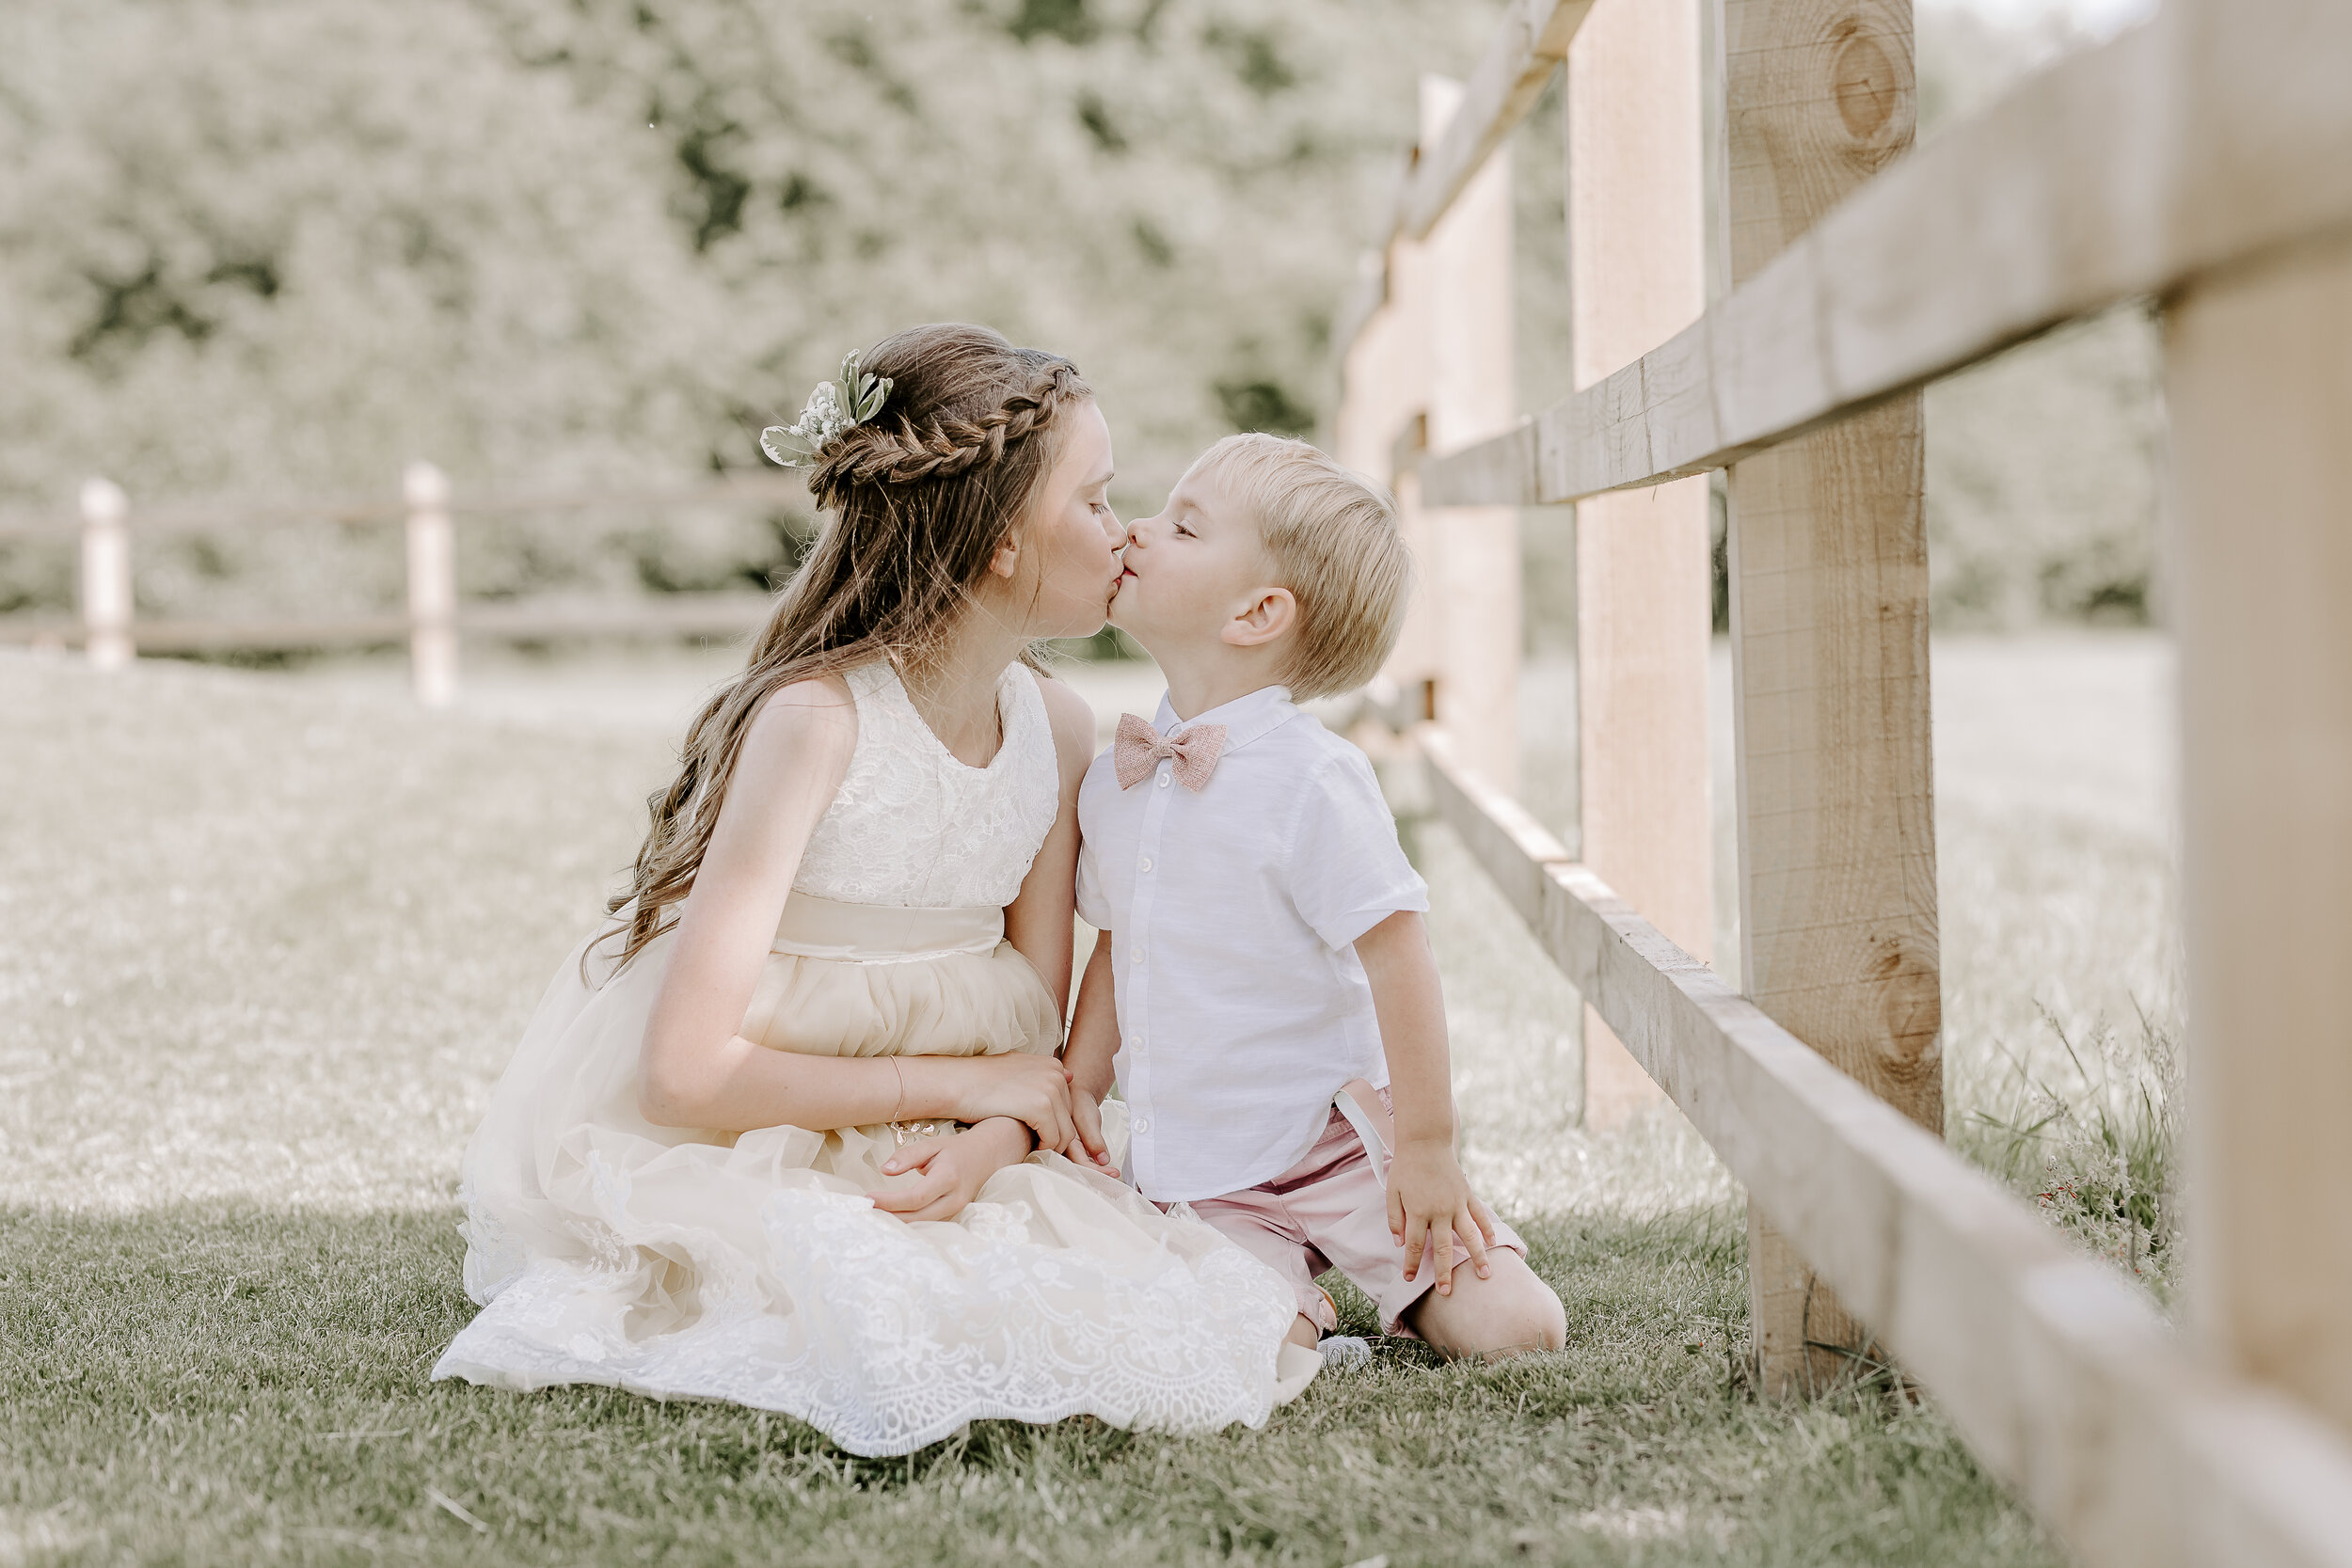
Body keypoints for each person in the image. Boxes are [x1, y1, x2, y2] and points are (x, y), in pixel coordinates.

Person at [435, 325, 1318, 1457]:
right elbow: (683, 1072)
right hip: (758, 1106)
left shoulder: (1056, 727)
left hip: (962, 1112)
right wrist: (966, 1083)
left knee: (1091, 1292)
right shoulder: (816, 722)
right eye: (1095, 500)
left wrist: (992, 1137)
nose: (1124, 530)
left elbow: (1038, 1040)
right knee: (853, 1291)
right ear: (1002, 542)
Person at [1063, 433, 1567, 1363]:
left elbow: (1398, 959)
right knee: (1236, 1346)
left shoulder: (1313, 780)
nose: (1135, 529)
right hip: (1200, 1161)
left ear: (1256, 611)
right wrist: (1079, 1090)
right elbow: (1111, 946)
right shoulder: (1115, 778)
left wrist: (1425, 1146)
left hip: (1335, 1139)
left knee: (1520, 1331)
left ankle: (1390, 1275)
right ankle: (1301, 1310)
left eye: (1182, 525)